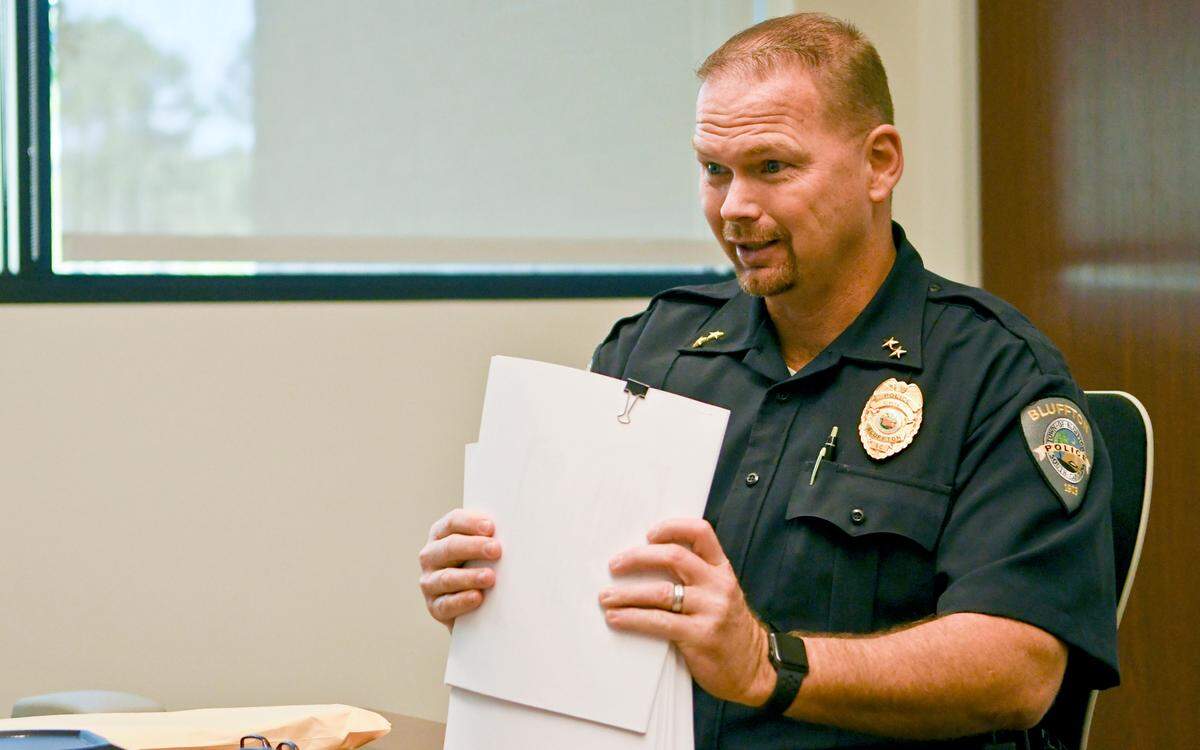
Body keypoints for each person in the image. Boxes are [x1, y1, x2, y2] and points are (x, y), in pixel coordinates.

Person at [417, 12, 1118, 749]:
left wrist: (768, 664)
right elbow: (593, 616)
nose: (734, 208)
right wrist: (497, 590)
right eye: (714, 169)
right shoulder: (652, 351)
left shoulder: (996, 373)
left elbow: (1020, 668)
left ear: (879, 164)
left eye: (771, 167)